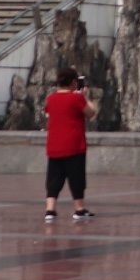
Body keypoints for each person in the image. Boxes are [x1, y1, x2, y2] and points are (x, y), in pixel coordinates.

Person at [43, 66, 92, 223]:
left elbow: (48, 112)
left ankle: (50, 210)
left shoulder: (51, 98)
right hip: (74, 144)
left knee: (54, 178)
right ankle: (79, 209)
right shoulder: (76, 99)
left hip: (54, 144)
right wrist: (85, 97)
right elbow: (91, 113)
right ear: (73, 82)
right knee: (76, 178)